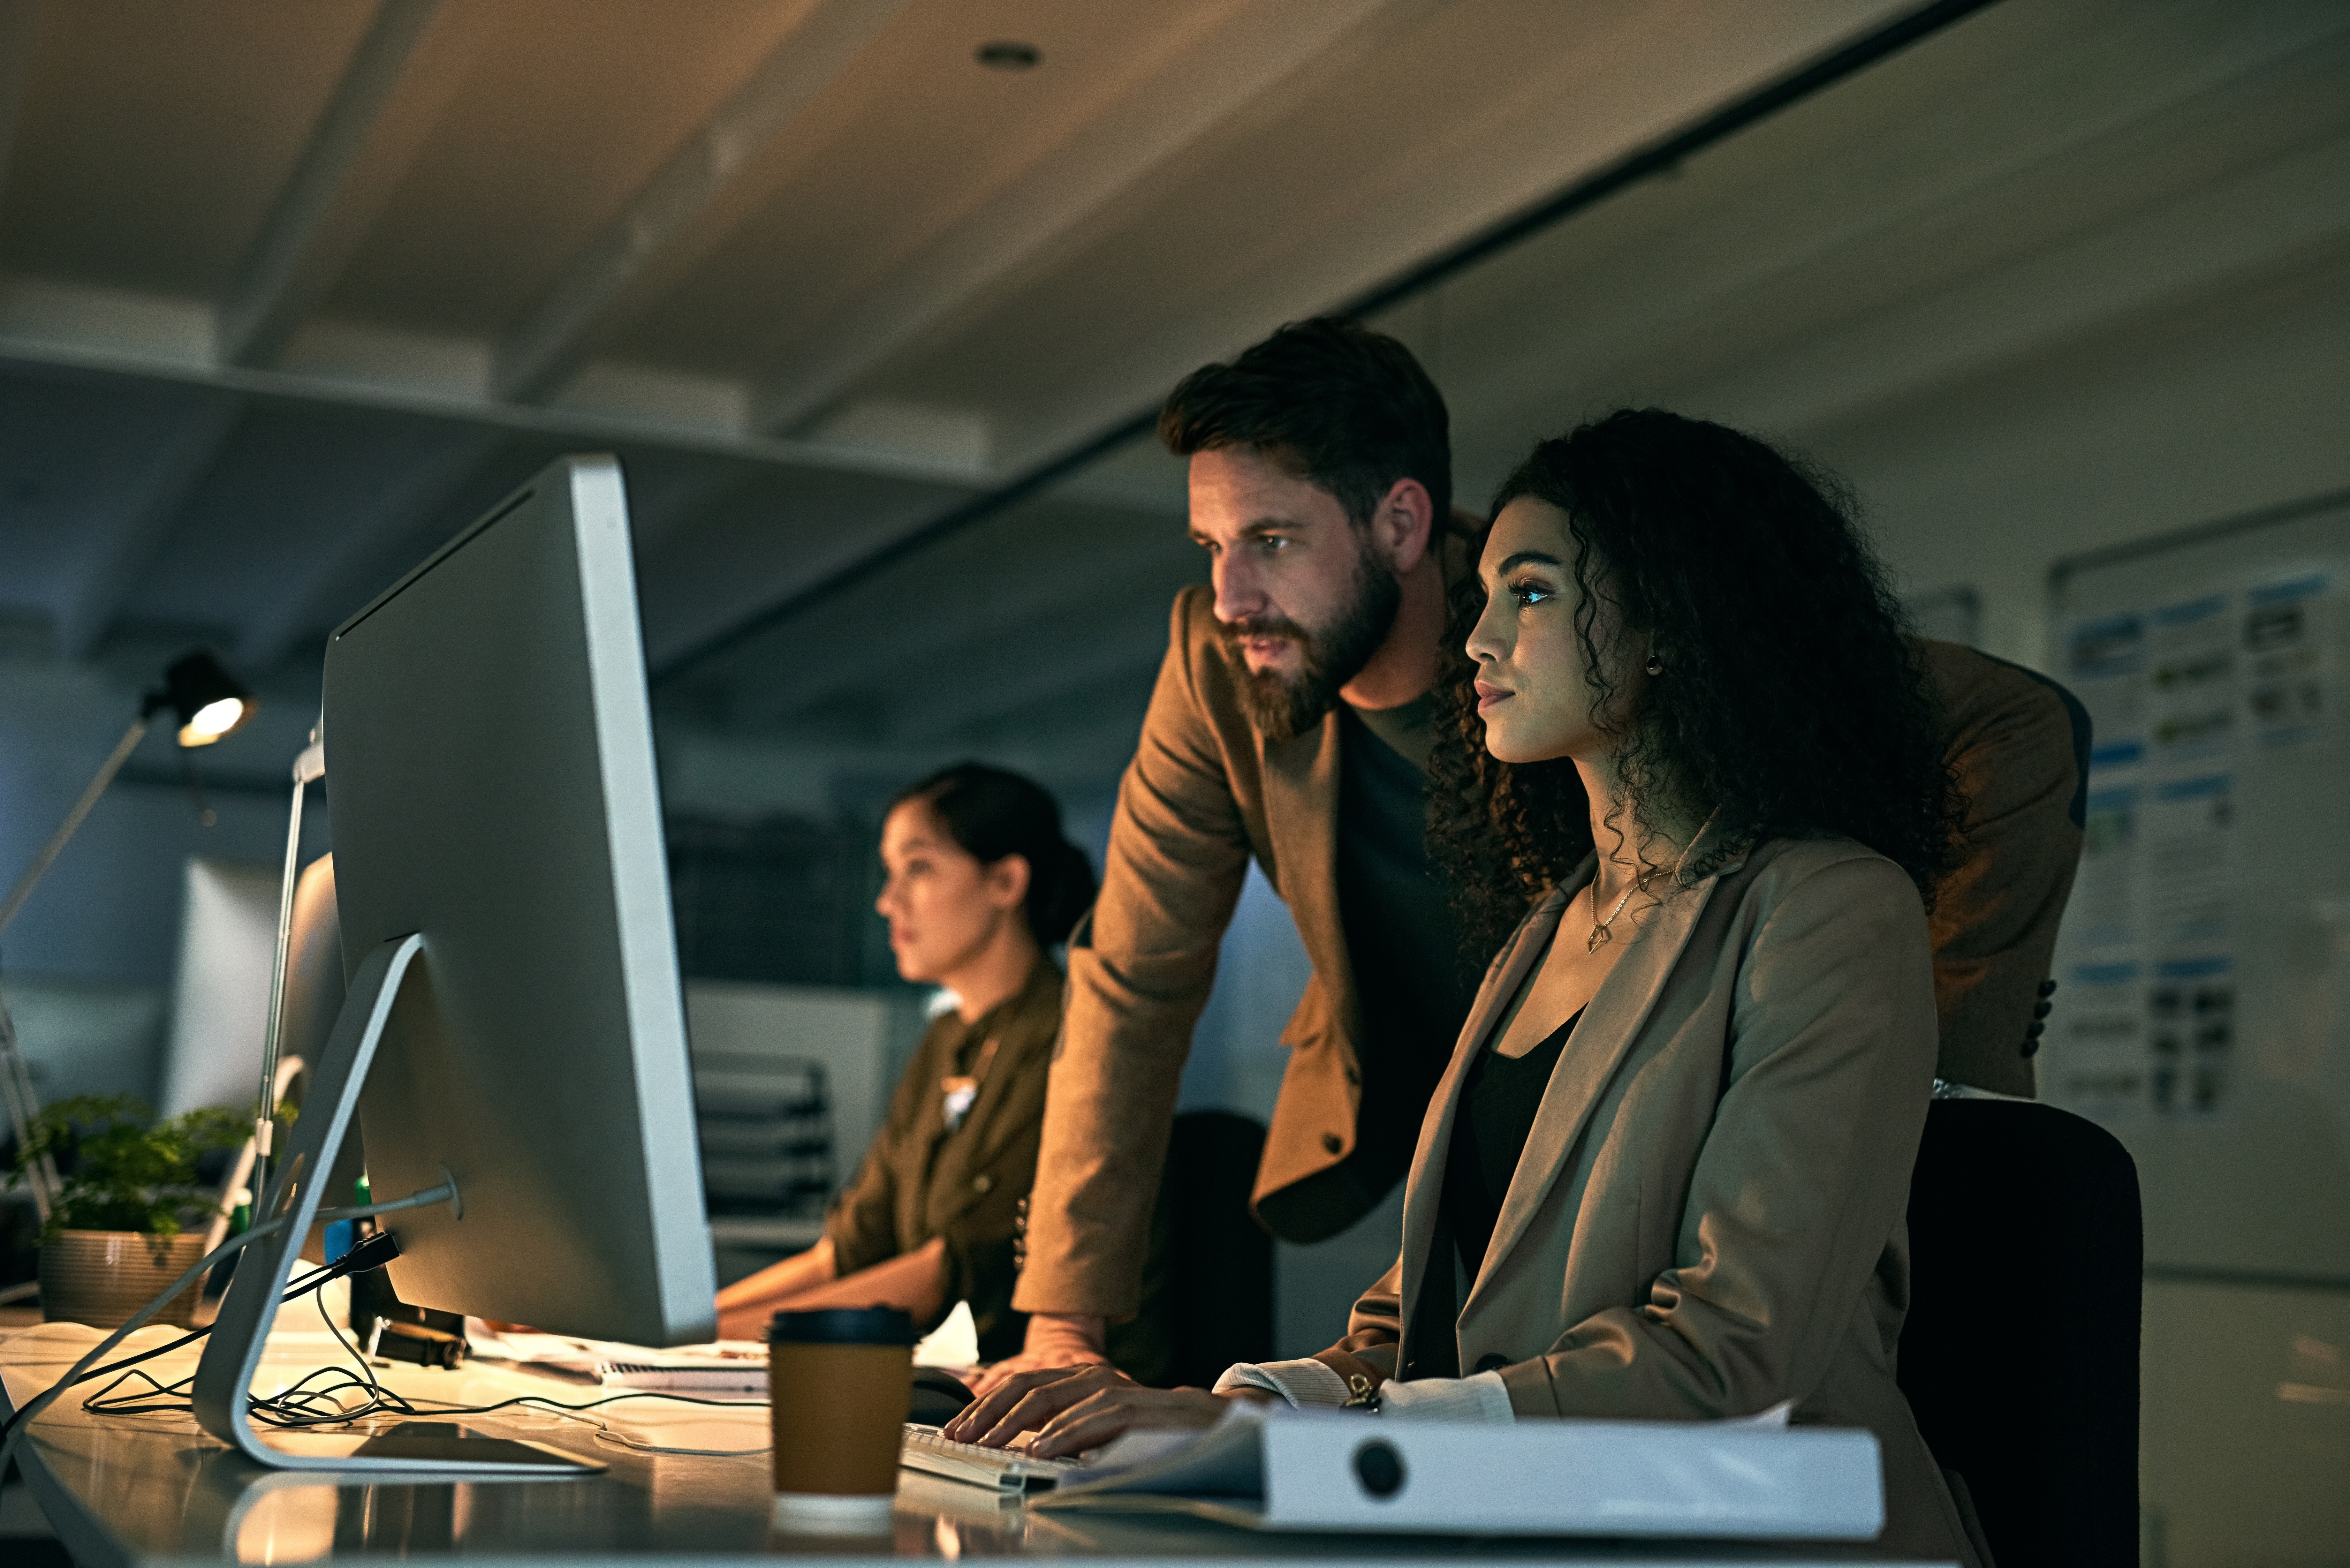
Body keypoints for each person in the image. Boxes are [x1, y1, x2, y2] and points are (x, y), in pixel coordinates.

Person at [947, 411, 1987, 1565]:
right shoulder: (1545, 931)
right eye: (1486, 594)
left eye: (1531, 593)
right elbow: (1415, 1321)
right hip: (1526, 1523)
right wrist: (1253, 1407)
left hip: (1746, 1535)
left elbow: (1731, 1356)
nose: (1478, 640)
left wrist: (1318, 1444)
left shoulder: (1830, 908)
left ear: (1672, 626)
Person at [992, 315, 2084, 1391]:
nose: (1230, 596)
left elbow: (1991, 713)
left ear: (1401, 523)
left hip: (1698, 1110)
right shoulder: (1236, 671)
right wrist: (1076, 1334)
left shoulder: (1602, 588)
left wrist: (1930, 1097)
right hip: (1494, 1114)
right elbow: (1133, 983)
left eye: (1271, 540)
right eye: (1212, 548)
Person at [713, 763, 1094, 1356]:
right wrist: (674, 1330)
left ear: (1006, 882)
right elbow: (843, 1253)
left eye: (919, 869)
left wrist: (710, 1337)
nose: (888, 901)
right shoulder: (947, 1037)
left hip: (1012, 1391)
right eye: (890, 872)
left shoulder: (1069, 1036)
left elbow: (948, 1273)